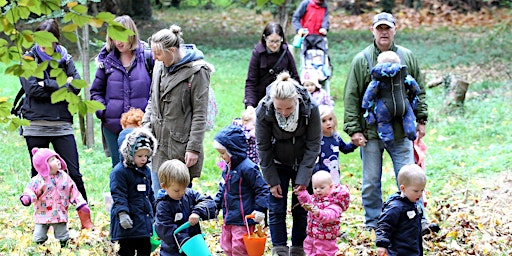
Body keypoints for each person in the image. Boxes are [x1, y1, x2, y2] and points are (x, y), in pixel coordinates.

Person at [342, 12, 438, 235]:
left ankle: (416, 220)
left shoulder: (407, 56)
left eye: (388, 28)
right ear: (373, 31)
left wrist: (421, 120)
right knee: (370, 181)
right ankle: (374, 223)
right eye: (379, 28)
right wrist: (354, 129)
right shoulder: (362, 60)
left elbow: (419, 91)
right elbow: (352, 97)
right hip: (371, 132)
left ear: (395, 29)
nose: (383, 32)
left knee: (409, 177)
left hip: (401, 131)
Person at [19, 18, 88, 202]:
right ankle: (41, 217)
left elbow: (77, 85)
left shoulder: (65, 58)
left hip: (61, 123)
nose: (43, 46)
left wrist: (46, 84)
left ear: (56, 40)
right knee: (39, 173)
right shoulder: (28, 59)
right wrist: (63, 85)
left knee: (73, 171)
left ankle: (84, 212)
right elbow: (32, 89)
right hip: (36, 124)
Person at [255, 71, 322, 256]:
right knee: (276, 207)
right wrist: (271, 180)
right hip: (277, 161)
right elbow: (263, 146)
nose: (284, 113)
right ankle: (279, 249)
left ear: (296, 100)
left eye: (289, 109)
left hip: (304, 162)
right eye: (279, 109)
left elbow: (314, 143)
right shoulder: (264, 109)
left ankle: (298, 248)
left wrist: (303, 178)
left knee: (301, 207)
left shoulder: (311, 108)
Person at [142, 24, 214, 193]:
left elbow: (200, 114)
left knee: (178, 197)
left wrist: (193, 148)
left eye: (158, 53)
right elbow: (152, 101)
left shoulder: (197, 71)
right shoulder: (159, 66)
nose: (155, 57)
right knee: (157, 196)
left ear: (172, 50)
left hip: (180, 147)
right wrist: (145, 129)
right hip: (157, 145)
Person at [90, 15, 152, 168]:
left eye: (121, 37)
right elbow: (95, 92)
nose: (118, 42)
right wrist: (104, 112)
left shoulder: (147, 57)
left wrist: (149, 115)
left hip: (142, 126)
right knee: (119, 170)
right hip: (113, 126)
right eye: (114, 37)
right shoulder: (106, 61)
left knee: (143, 171)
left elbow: (157, 90)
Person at [213, 125, 269, 255]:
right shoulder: (227, 168)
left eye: (223, 153)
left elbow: (262, 189)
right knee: (226, 245)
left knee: (240, 248)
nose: (221, 157)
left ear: (233, 150)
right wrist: (215, 204)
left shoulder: (248, 168)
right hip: (229, 217)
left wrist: (260, 209)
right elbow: (223, 188)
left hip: (243, 219)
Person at [19, 148, 93, 247]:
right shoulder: (38, 180)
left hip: (59, 213)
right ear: (44, 166)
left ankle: (64, 245)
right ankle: (40, 247)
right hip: (42, 214)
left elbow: (73, 191)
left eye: (56, 158)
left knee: (62, 234)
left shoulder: (65, 177)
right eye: (52, 160)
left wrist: (80, 203)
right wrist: (27, 197)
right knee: (39, 235)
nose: (57, 160)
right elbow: (31, 190)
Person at [110, 128, 157, 256]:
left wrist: (155, 209)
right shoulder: (119, 172)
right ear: (129, 154)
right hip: (128, 222)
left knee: (145, 249)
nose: (143, 159)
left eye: (146, 156)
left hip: (143, 221)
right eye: (139, 156)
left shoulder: (146, 170)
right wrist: (122, 213)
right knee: (127, 250)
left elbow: (149, 193)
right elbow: (118, 194)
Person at [154, 159, 217, 256]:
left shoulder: (189, 194)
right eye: (177, 190)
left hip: (194, 248)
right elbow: (165, 229)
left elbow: (209, 202)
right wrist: (186, 241)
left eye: (184, 188)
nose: (181, 193)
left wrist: (197, 212)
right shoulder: (163, 205)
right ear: (164, 187)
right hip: (172, 252)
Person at [361, 51, 421, 148]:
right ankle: (411, 131)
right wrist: (414, 98)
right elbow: (414, 87)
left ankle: (387, 139)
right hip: (403, 104)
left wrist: (367, 109)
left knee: (383, 122)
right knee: (408, 115)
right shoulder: (402, 74)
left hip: (384, 108)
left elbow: (369, 93)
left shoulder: (378, 78)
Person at [244, 22, 300, 111]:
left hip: (282, 100)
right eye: (271, 41)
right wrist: (250, 105)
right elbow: (251, 82)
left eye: (277, 41)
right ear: (265, 38)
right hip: (262, 99)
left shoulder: (285, 52)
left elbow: (295, 77)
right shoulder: (258, 53)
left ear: (282, 39)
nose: (275, 45)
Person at [293, 171, 350, 256]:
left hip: (326, 237)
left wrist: (319, 213)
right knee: (309, 251)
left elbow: (330, 215)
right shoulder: (315, 199)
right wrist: (302, 193)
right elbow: (308, 201)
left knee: (324, 253)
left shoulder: (334, 202)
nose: (318, 190)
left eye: (322, 187)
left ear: (330, 187)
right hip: (312, 235)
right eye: (315, 188)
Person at [376, 164, 427, 256]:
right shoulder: (395, 207)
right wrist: (382, 244)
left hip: (413, 249)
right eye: (416, 191)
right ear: (403, 188)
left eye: (422, 190)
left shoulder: (413, 203)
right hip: (398, 251)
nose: (420, 194)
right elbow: (384, 225)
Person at [316, 105, 357, 183]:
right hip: (320, 178)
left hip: (334, 176)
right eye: (323, 121)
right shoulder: (317, 139)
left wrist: (355, 143)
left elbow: (345, 149)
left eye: (330, 119)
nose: (328, 123)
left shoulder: (336, 137)